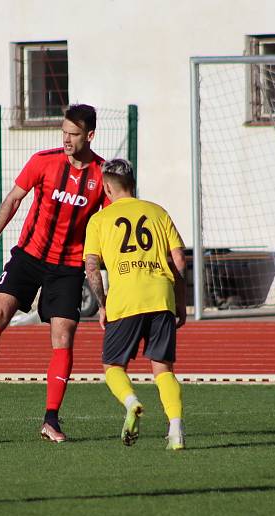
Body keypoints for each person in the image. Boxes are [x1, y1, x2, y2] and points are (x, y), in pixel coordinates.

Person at [0, 104, 107, 443]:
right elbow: (14, 199)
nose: (66, 139)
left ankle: (51, 419)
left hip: (68, 267)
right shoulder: (43, 161)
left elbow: (110, 226)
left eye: (73, 135)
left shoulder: (102, 176)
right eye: (63, 132)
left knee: (63, 337)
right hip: (30, 256)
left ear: (89, 136)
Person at [82, 158, 187, 450]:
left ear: (106, 188)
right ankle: (176, 430)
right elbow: (179, 260)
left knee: (112, 365)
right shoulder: (157, 212)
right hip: (160, 295)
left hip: (125, 299)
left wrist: (102, 304)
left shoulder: (100, 220)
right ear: (133, 183)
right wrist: (180, 302)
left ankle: (131, 402)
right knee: (163, 370)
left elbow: (92, 266)